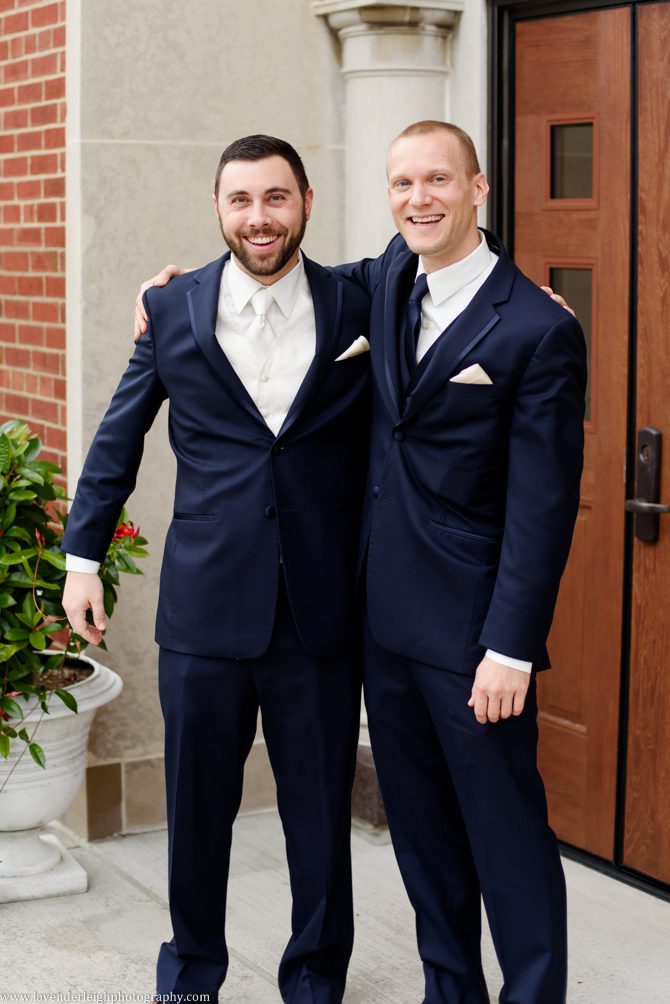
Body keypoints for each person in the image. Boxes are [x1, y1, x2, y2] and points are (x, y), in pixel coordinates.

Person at [135, 121, 585, 1004]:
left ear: (479, 187)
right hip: (382, 626)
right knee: (423, 844)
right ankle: (448, 991)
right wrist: (174, 292)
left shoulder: (535, 325)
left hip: (474, 640)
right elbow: (291, 273)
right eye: (403, 183)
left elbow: (543, 508)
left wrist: (512, 646)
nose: (419, 199)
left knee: (507, 842)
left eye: (438, 181)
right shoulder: (384, 285)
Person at [61, 135, 373, 1004]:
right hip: (204, 611)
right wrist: (81, 556)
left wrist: (525, 291)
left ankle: (314, 978)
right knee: (198, 809)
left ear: (306, 201)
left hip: (317, 611)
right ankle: (193, 972)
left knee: (318, 814)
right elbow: (118, 438)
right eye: (241, 200)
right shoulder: (172, 309)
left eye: (276, 198)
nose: (259, 218)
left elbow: (450, 269)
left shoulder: (361, 301)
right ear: (217, 208)